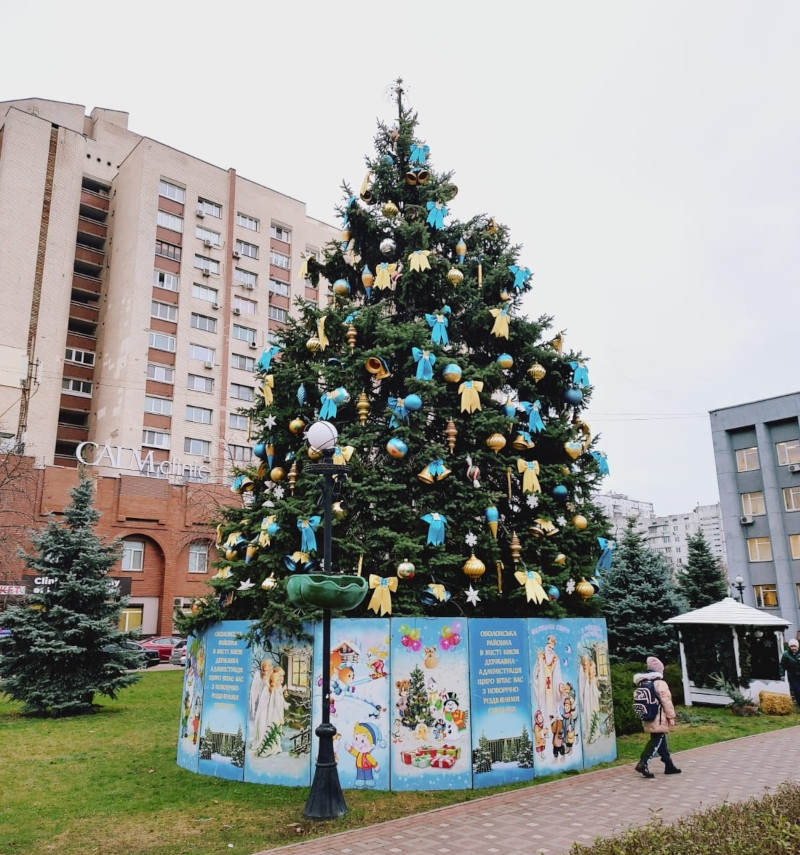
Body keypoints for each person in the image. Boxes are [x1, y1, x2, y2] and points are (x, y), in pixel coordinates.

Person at [633, 656, 681, 778]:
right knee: (656, 741)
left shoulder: (642, 682)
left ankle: (669, 765)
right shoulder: (660, 683)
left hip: (648, 715)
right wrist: (671, 717)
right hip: (658, 717)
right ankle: (643, 763)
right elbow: (666, 701)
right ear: (659, 671)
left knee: (660, 740)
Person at [779, 638, 800, 707]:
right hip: (793, 676)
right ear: (789, 647)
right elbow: (782, 665)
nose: (793, 648)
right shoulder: (786, 654)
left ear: (797, 646)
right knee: (797, 690)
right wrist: (782, 675)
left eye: (795, 646)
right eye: (792, 646)